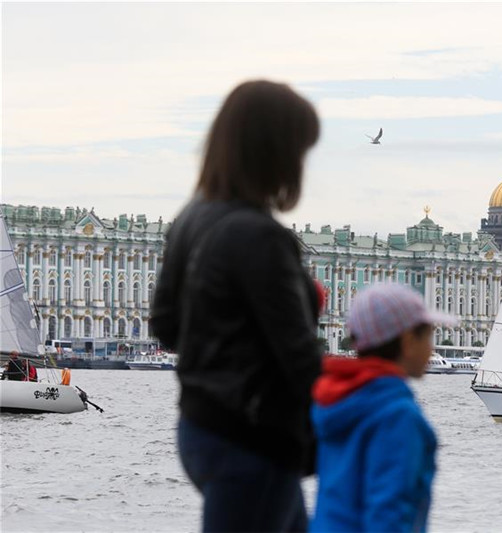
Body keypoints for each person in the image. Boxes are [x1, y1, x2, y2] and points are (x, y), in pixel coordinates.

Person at [150, 80, 322, 533]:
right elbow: (298, 355)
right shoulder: (262, 236)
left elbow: (165, 327)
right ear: (276, 152)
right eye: (300, 150)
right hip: (254, 438)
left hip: (200, 428)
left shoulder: (191, 217)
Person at [310, 283, 456, 533]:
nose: (432, 348)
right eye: (429, 336)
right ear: (408, 341)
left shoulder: (335, 402)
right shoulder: (398, 415)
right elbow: (390, 513)